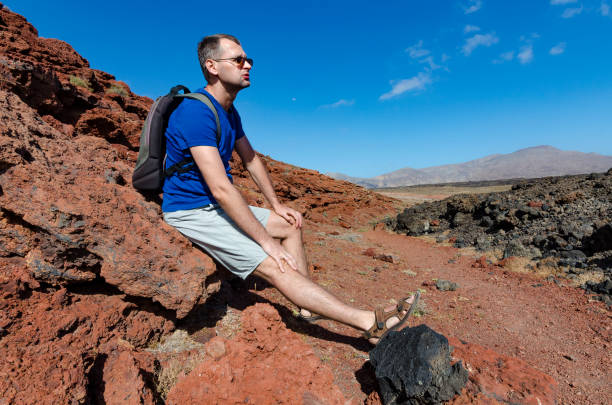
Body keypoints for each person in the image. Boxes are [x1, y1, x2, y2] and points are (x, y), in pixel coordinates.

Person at [162, 34, 418, 344]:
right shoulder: (195, 112)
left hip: (215, 206)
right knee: (274, 263)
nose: (248, 65)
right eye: (239, 60)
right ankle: (370, 324)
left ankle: (307, 307)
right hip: (191, 211)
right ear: (212, 66)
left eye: (249, 59)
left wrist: (276, 204)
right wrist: (265, 242)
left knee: (291, 224)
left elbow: (251, 159)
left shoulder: (228, 111)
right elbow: (221, 189)